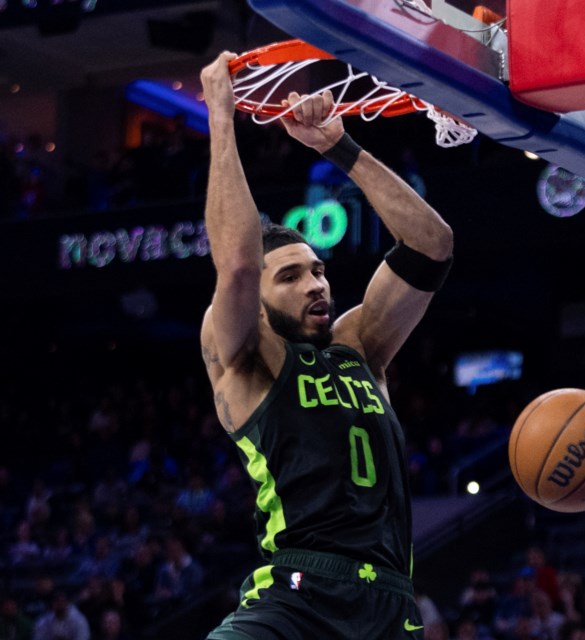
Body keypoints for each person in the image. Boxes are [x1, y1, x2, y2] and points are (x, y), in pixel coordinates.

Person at [198, 51, 454, 639]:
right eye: (289, 277)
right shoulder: (244, 355)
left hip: (390, 604)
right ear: (256, 305)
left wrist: (339, 147)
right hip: (295, 599)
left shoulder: (361, 344)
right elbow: (236, 266)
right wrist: (221, 115)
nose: (315, 283)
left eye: (317, 270)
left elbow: (430, 246)